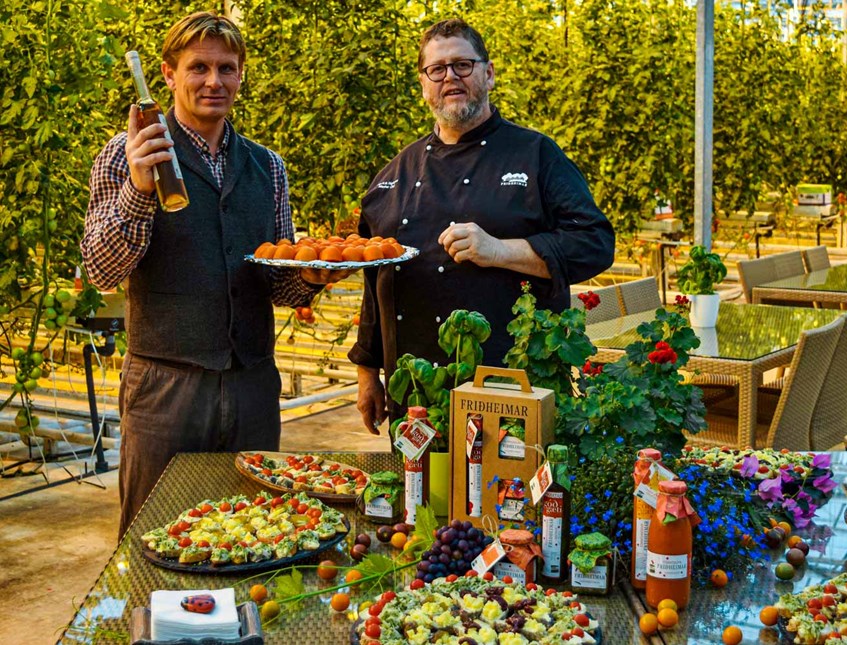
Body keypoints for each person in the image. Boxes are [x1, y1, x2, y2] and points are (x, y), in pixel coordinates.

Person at [81, 12, 346, 538]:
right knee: (153, 536)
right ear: (168, 73)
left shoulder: (267, 167)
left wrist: (313, 277)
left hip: (251, 384)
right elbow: (102, 268)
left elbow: (278, 285)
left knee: (257, 532)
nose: (212, 81)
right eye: (197, 67)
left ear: (241, 76)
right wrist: (138, 189)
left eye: (226, 68)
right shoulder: (128, 153)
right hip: (166, 389)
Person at [349, 18, 615, 434]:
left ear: (488, 74)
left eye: (462, 65)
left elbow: (594, 242)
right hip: (415, 391)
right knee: (419, 495)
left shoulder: (536, 154)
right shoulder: (396, 172)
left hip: (511, 390)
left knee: (502, 497)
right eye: (437, 69)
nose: (449, 77)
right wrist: (367, 369)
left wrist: (500, 250)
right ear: (423, 84)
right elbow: (375, 278)